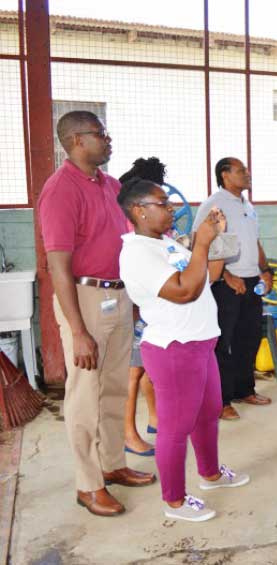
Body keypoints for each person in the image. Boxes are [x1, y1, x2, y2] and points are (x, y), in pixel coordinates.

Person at [38, 110, 155, 518]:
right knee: (85, 396)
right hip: (84, 301)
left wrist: (136, 295)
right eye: (100, 134)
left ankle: (112, 464)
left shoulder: (111, 185)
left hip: (118, 297)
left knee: (114, 389)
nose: (108, 140)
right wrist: (78, 330)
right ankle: (88, 485)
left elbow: (126, 241)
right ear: (75, 141)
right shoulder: (60, 190)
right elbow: (58, 265)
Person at [118, 178, 250, 522]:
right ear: (139, 211)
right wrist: (202, 244)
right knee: (175, 428)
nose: (171, 208)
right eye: (162, 204)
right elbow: (183, 291)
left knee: (207, 414)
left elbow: (205, 278)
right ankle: (174, 501)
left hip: (201, 342)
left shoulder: (165, 244)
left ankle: (210, 475)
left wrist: (213, 239)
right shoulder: (137, 253)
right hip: (174, 348)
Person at [194, 158, 273, 421]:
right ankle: (221, 400)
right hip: (226, 283)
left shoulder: (247, 206)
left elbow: (255, 241)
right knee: (223, 344)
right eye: (241, 171)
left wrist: (266, 270)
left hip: (251, 280)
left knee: (248, 338)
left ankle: (245, 390)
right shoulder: (213, 204)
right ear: (225, 175)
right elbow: (200, 242)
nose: (248, 174)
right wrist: (226, 275)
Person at [118, 158, 167, 456]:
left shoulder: (154, 224)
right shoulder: (133, 224)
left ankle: (155, 418)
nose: (166, 207)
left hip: (151, 304)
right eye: (161, 201)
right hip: (136, 300)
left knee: (149, 365)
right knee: (134, 370)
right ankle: (128, 433)